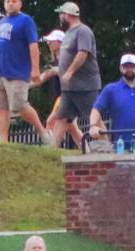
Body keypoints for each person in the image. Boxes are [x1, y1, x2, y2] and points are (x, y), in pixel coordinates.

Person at [0, 0, 46, 151]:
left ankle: (42, 131)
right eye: (7, 1)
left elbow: (33, 45)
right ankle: (2, 143)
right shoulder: (1, 22)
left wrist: (35, 69)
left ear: (20, 4)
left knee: (19, 105)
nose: (10, 4)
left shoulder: (26, 20)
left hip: (17, 72)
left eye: (14, 1)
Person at [45, 2, 101, 149]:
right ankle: (51, 152)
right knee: (62, 118)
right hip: (69, 89)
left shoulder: (83, 31)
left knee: (94, 119)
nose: (60, 16)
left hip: (85, 87)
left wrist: (69, 72)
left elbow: (83, 53)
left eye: (61, 14)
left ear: (68, 15)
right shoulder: (69, 33)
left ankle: (107, 150)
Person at [90, 53, 135, 153]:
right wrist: (93, 126)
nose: (129, 69)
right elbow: (96, 109)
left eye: (132, 66)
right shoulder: (110, 89)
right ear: (121, 68)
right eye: (126, 66)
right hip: (121, 147)